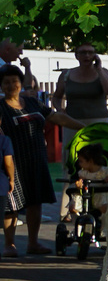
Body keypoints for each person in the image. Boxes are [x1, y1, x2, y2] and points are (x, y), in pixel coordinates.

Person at [0, 67, 53, 255]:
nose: (11, 85)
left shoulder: (32, 102)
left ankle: (33, 243)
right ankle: (9, 245)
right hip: (12, 162)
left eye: (14, 81)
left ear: (20, 83)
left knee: (35, 202)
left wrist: (83, 126)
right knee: (11, 205)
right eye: (6, 82)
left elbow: (54, 116)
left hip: (36, 159)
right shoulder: (0, 107)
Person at [56, 44, 108, 132]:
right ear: (77, 56)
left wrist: (99, 69)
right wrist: (60, 110)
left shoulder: (103, 72)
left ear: (95, 56)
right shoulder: (66, 75)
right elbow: (56, 96)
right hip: (73, 123)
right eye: (83, 53)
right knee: (72, 146)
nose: (87, 56)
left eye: (90, 53)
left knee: (101, 146)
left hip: (99, 122)